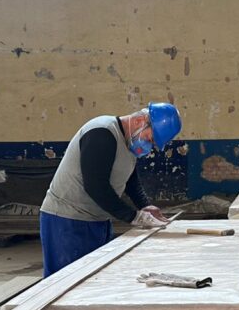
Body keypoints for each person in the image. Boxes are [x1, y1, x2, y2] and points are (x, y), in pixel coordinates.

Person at [40, 103, 182, 277]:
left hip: (97, 219)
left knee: (94, 279)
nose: (149, 145)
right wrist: (133, 216)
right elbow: (95, 186)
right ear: (140, 121)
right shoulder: (101, 133)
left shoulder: (129, 142)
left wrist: (145, 206)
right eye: (150, 139)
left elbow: (131, 180)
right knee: (65, 281)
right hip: (67, 221)